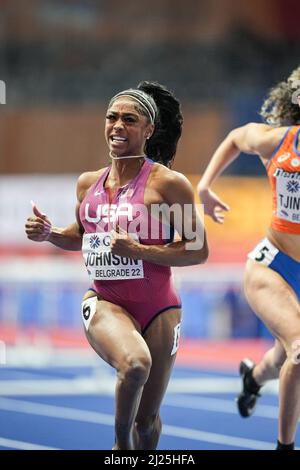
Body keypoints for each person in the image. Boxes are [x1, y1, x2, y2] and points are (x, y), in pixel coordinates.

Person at [25, 81, 208, 450]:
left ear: (149, 130)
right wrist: (49, 234)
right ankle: (119, 448)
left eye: (129, 119)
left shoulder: (169, 185)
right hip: (107, 301)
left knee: (148, 421)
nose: (118, 125)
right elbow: (79, 235)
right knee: (136, 365)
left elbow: (198, 250)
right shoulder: (87, 184)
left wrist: (137, 250)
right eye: (112, 117)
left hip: (161, 308)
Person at [197, 65, 300, 450]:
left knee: (280, 359)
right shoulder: (276, 141)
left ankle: (253, 379)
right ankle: (285, 446)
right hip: (272, 267)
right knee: (299, 353)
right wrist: (205, 186)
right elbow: (235, 138)